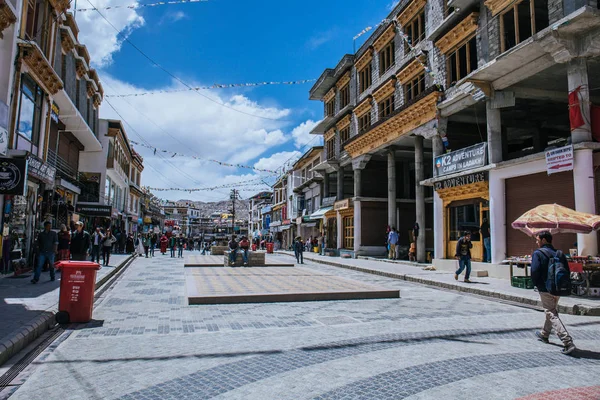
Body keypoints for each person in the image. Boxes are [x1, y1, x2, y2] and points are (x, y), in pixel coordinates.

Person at [531, 231, 576, 355]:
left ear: (544, 240)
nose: (536, 242)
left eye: (537, 239)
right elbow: (567, 270)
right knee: (551, 310)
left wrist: (536, 284)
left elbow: (535, 271)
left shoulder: (538, 253)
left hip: (545, 288)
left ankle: (567, 342)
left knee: (551, 312)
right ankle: (544, 334)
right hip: (558, 288)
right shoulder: (559, 253)